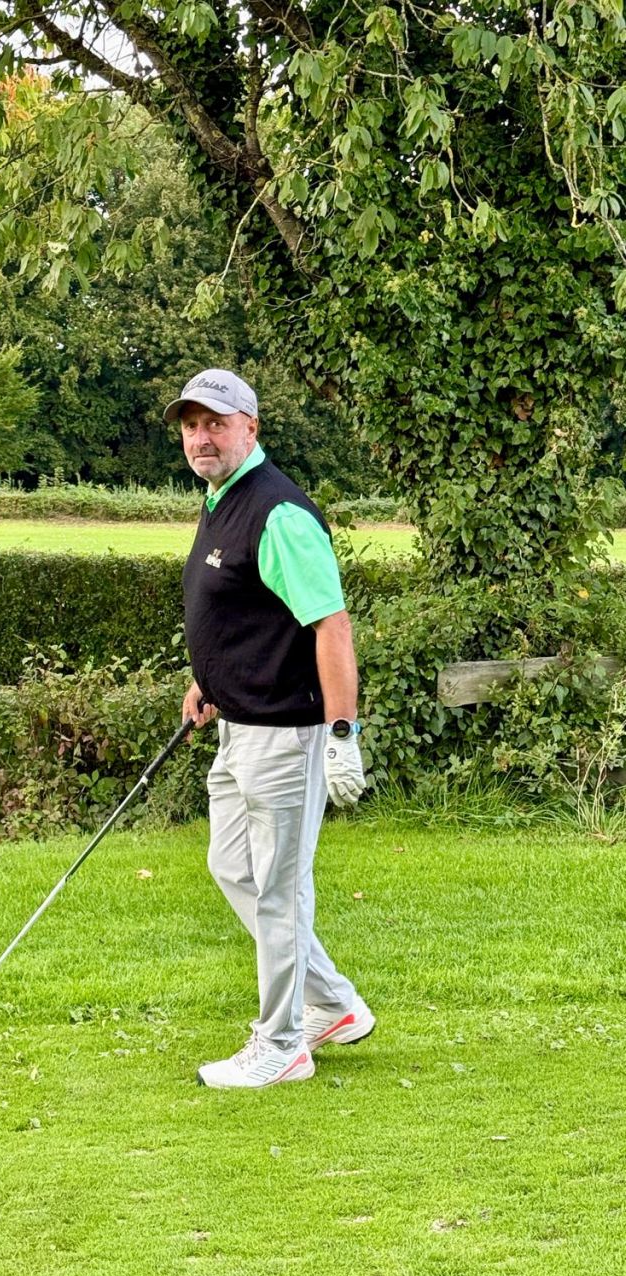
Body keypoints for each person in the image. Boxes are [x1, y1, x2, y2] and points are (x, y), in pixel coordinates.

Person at [164, 367, 375, 1088]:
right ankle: (335, 1004)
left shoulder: (278, 511)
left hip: (287, 734)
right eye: (192, 425)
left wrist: (341, 735)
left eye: (216, 423)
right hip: (238, 727)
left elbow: (330, 626)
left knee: (279, 889)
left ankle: (282, 1044)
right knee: (234, 868)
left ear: (250, 427)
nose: (201, 437)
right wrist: (210, 680)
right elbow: (247, 612)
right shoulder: (221, 499)